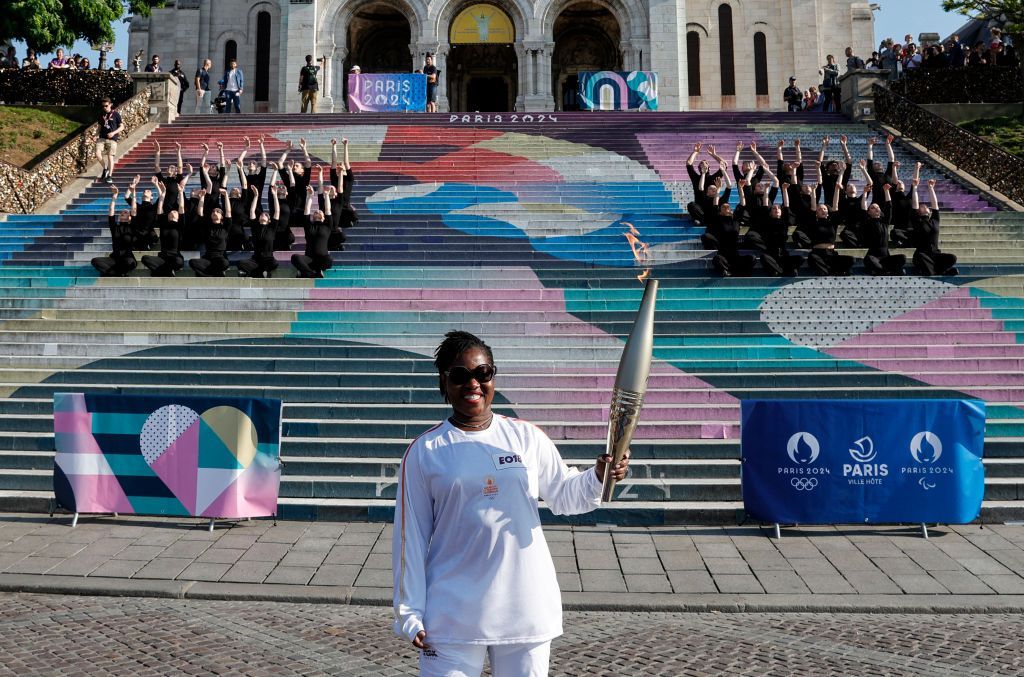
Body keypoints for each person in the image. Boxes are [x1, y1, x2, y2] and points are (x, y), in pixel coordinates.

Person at [393, 331, 629, 677]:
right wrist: (409, 613)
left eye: (482, 373)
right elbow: (409, 537)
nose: (473, 383)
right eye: (459, 375)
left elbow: (564, 494)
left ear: (493, 376)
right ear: (444, 382)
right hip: (452, 613)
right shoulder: (425, 452)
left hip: (524, 606)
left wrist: (598, 474)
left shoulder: (525, 437)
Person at [909, 179, 957, 276]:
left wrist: (931, 188)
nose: (924, 206)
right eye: (921, 206)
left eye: (926, 206)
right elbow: (914, 204)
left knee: (952, 257)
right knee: (921, 257)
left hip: (935, 254)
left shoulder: (935, 220)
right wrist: (914, 188)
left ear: (929, 210)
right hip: (922, 255)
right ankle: (939, 272)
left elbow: (935, 205)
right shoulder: (917, 220)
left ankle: (938, 271)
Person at [142, 178, 186, 277]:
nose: (172, 212)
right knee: (145, 258)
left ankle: (160, 271)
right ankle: (167, 271)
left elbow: (181, 207)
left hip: (175, 257)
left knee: (179, 262)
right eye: (171, 212)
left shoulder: (180, 225)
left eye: (175, 212)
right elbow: (159, 208)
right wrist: (163, 193)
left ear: (178, 216)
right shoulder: (163, 224)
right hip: (163, 257)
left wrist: (180, 192)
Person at [91, 185, 138, 277]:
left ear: (130, 218)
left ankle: (114, 273)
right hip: (114, 259)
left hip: (127, 259)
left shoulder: (132, 227)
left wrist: (134, 192)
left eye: (125, 212)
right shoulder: (114, 227)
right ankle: (115, 273)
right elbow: (111, 211)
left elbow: (133, 209)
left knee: (130, 263)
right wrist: (114, 196)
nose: (122, 213)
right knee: (95, 261)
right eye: (121, 213)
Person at [859, 184, 906, 276]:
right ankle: (888, 270)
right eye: (873, 207)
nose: (876, 208)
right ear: (869, 212)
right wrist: (865, 193)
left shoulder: (884, 222)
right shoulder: (867, 222)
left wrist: (886, 190)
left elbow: (889, 206)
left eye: (877, 207)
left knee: (903, 258)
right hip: (873, 256)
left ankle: (882, 270)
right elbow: (863, 209)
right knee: (869, 260)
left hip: (885, 257)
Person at [239, 181, 280, 279]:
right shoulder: (255, 227)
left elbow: (277, 211)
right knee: (241, 263)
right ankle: (263, 272)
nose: (263, 214)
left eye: (266, 214)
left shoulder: (272, 227)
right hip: (256, 259)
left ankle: (258, 272)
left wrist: (275, 196)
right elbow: (252, 211)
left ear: (269, 220)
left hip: (268, 258)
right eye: (261, 214)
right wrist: (256, 196)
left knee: (274, 263)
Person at [291, 185, 333, 278]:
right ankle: (311, 273)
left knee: (329, 259)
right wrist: (310, 196)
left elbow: (327, 210)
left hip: (322, 259)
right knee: (295, 257)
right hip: (309, 259)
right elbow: (306, 210)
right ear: (313, 216)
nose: (318, 211)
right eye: (315, 212)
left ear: (324, 217)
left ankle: (313, 271)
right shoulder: (309, 226)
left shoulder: (327, 226)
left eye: (320, 211)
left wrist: (326, 195)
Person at [189, 188, 232, 277]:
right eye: (213, 211)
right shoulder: (207, 227)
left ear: (222, 217)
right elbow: (200, 213)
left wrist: (226, 195)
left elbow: (228, 211)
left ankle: (207, 273)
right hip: (208, 258)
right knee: (192, 262)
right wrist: (201, 198)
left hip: (220, 258)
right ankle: (216, 273)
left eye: (218, 211)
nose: (215, 212)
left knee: (225, 263)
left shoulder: (225, 227)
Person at [95, 97, 123, 185]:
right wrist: (96, 135)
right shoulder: (101, 114)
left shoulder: (116, 114)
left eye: (106, 106)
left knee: (110, 157)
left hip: (112, 139)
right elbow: (99, 126)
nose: (104, 108)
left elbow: (122, 127)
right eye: (103, 106)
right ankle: (105, 168)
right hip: (102, 137)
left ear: (110, 105)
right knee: (97, 153)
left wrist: (113, 133)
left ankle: (109, 176)